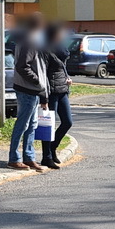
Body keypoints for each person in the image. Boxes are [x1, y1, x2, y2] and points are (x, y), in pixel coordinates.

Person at [8, 14, 50, 172]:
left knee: (31, 125)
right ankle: (14, 158)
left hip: (33, 90)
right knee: (23, 125)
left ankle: (29, 157)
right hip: (27, 89)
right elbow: (22, 66)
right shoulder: (29, 41)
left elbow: (38, 66)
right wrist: (37, 82)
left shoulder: (32, 40)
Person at [41, 22, 73, 170]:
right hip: (51, 91)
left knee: (67, 122)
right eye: (60, 32)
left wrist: (67, 77)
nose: (63, 35)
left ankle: (53, 147)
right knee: (49, 124)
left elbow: (62, 66)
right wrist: (44, 96)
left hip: (63, 89)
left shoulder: (61, 48)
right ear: (54, 34)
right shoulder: (46, 49)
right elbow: (44, 71)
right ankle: (46, 157)